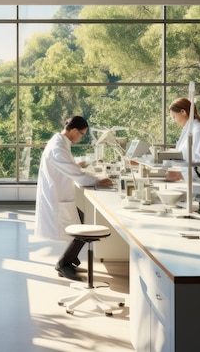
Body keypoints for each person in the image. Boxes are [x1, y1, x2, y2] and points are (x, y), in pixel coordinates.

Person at [35, 116, 113, 281]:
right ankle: (64, 263)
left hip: (59, 193)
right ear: (75, 131)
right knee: (81, 224)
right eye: (82, 134)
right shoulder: (58, 146)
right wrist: (97, 181)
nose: (81, 137)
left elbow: (67, 166)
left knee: (81, 219)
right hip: (56, 197)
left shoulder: (61, 142)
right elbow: (73, 173)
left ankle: (68, 260)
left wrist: (79, 165)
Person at [165, 97, 200, 185]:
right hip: (190, 182)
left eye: (174, 117)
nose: (175, 121)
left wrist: (180, 175)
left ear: (183, 112)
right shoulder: (189, 130)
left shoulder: (199, 131)